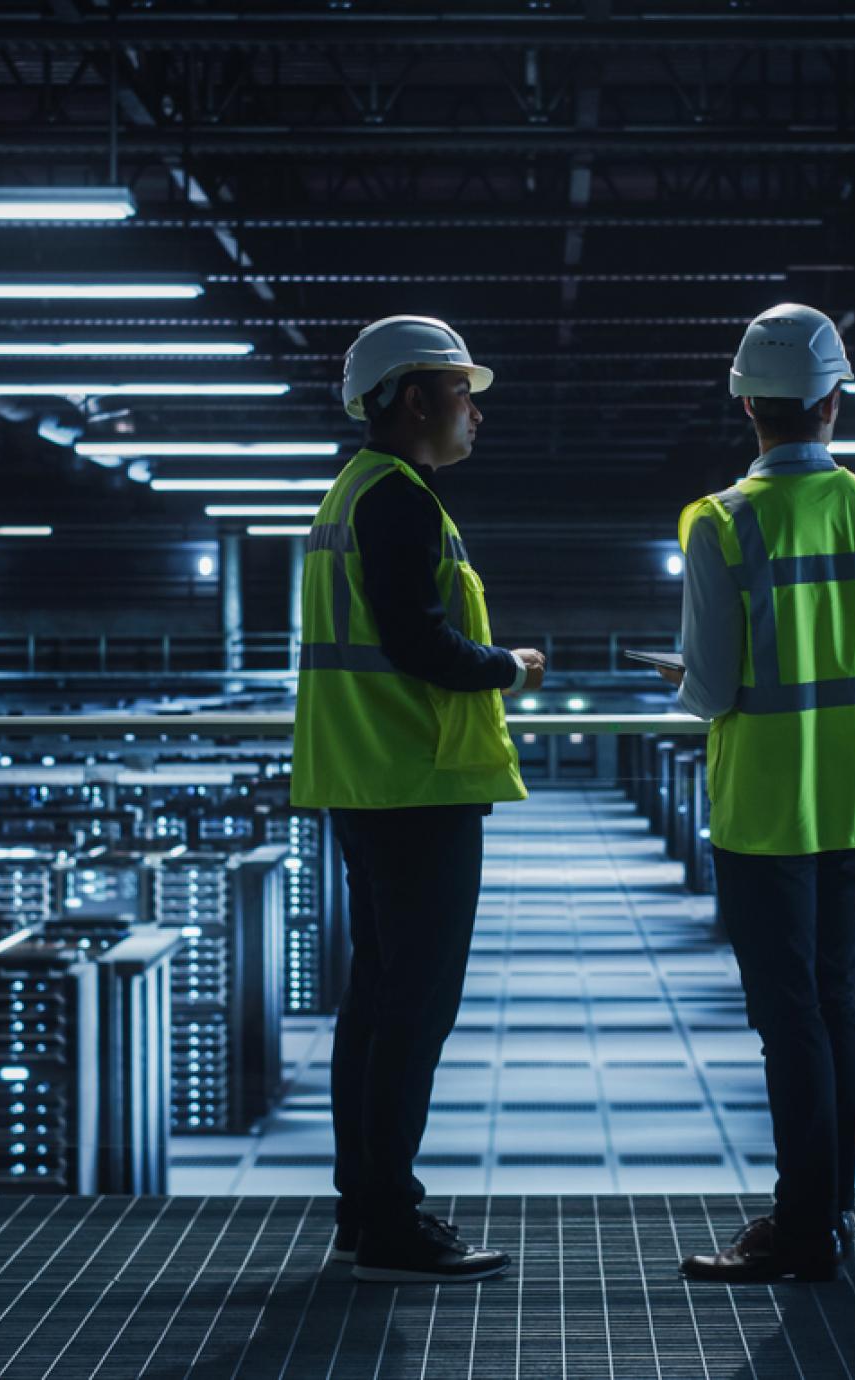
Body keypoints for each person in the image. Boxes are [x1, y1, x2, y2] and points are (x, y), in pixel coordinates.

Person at [665, 303, 855, 1282]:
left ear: (747, 401)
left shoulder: (718, 521)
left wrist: (685, 679)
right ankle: (826, 1218)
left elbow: (709, 688)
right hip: (849, 803)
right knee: (839, 1008)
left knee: (789, 1025)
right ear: (832, 400)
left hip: (759, 813)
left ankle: (799, 1229)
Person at [291, 315, 547, 1283]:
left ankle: (363, 1209)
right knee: (412, 1012)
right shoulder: (396, 501)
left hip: (369, 783)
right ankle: (391, 1220)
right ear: (411, 398)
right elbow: (419, 644)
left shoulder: (350, 496)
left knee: (377, 1005)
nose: (472, 412)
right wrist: (510, 668)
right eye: (459, 392)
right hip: (415, 787)